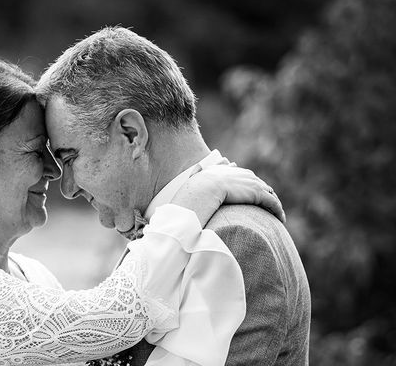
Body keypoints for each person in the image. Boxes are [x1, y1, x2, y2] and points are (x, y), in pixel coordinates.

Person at [0, 55, 282, 366]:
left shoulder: (31, 275)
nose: (51, 172)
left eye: (54, 153)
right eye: (33, 153)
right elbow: (116, 315)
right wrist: (192, 200)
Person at [36, 27, 311, 366]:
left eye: (69, 157)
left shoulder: (229, 238)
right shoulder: (177, 234)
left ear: (131, 133)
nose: (68, 187)